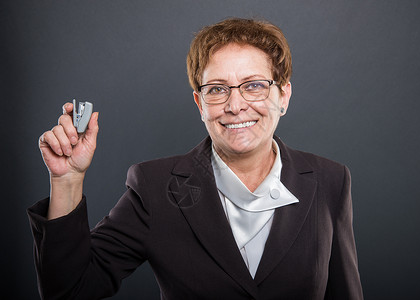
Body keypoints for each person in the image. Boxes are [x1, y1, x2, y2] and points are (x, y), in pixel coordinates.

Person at [28, 18, 363, 299]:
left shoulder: (330, 179)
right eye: (217, 89)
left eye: (254, 85)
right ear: (200, 104)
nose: (235, 105)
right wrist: (66, 180)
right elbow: (69, 291)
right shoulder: (155, 187)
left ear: (283, 95)